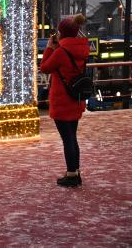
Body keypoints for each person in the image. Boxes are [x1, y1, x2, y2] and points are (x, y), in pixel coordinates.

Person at [40, 14, 89, 187]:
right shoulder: (83, 49)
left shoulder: (61, 52)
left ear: (63, 33)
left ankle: (71, 175)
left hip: (62, 100)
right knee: (72, 136)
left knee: (67, 138)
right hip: (75, 99)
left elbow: (44, 67)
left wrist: (49, 49)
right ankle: (75, 171)